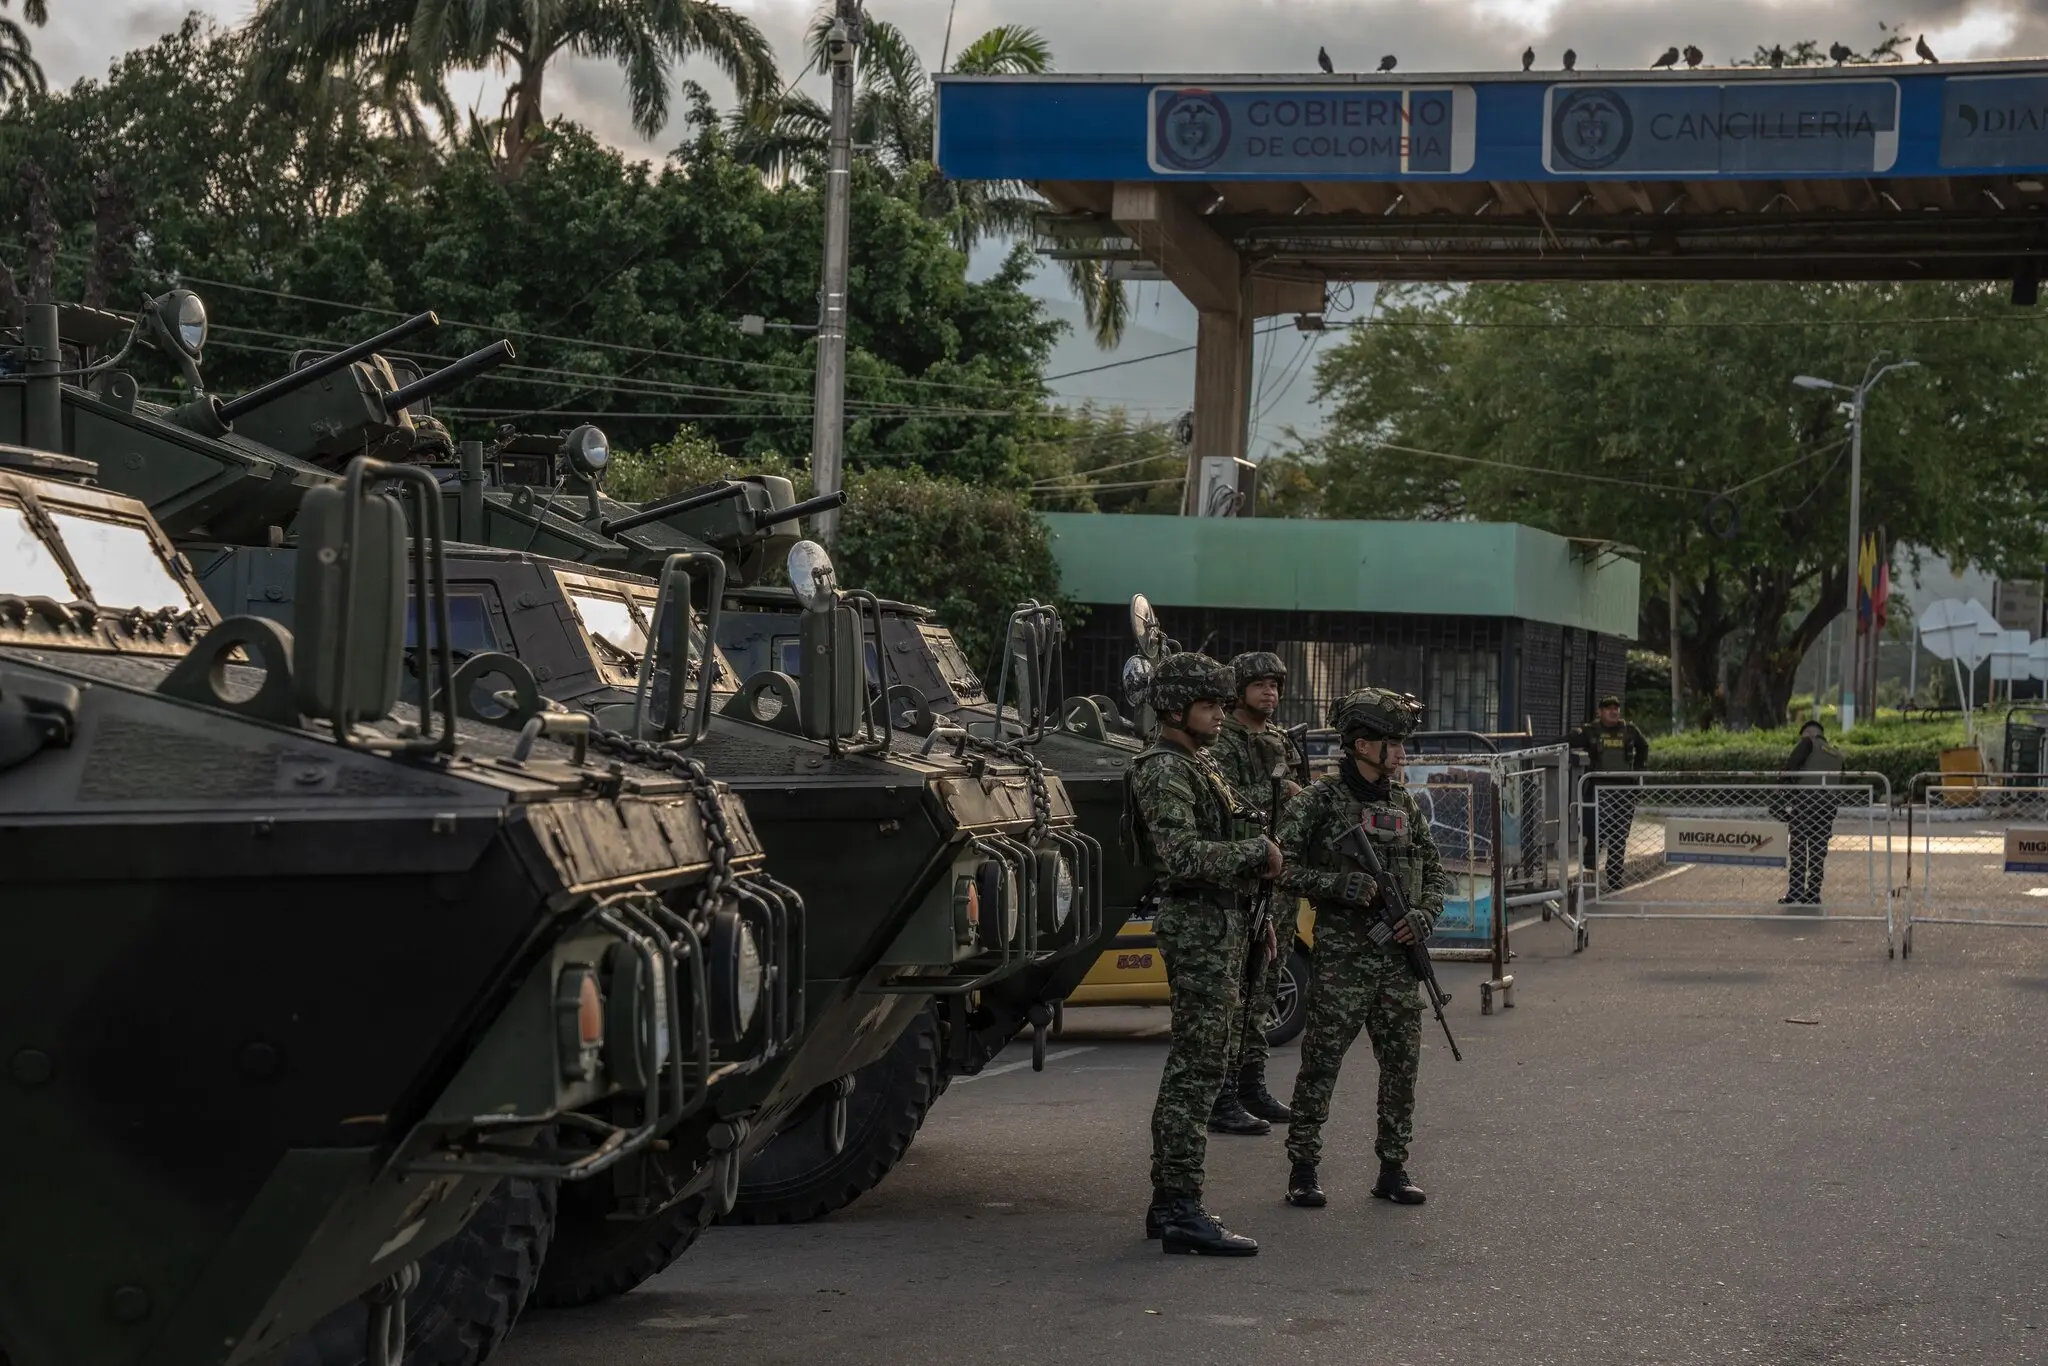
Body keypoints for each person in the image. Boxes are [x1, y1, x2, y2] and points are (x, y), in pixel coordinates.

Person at [1124, 651, 1281, 1256]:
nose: (1220, 714)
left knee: (1203, 1063)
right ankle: (1181, 1208)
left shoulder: (1198, 763)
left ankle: (1170, 1205)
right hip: (1199, 924)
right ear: (1174, 708)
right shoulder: (1164, 770)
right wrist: (1256, 857)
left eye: (1220, 703)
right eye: (1209, 704)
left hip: (1224, 920)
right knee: (1196, 1069)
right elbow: (1183, 855)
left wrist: (1253, 909)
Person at [1276, 687, 1449, 1210]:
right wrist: (1335, 886)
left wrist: (1421, 915)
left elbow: (1436, 873)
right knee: (1321, 1065)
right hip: (1341, 965)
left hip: (1397, 965)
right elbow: (1276, 866)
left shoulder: (1404, 805)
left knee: (1401, 1067)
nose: (1400, 753)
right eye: (1391, 742)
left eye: (1400, 742)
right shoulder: (1318, 803)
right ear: (1359, 744)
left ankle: (1392, 1168)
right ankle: (1303, 1169)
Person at [1208, 651, 1306, 1135]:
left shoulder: (1280, 739)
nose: (1270, 692)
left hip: (1279, 880)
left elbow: (1299, 803)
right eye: (1260, 684)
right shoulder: (1220, 739)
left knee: (1264, 987)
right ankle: (1222, 1093)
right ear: (1240, 688)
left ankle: (1251, 1084)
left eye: (1276, 684)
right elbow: (1224, 805)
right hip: (1239, 877)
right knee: (1235, 990)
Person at [1571, 694, 1649, 890]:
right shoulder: (1591, 731)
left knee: (1619, 833)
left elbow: (1644, 747)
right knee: (1600, 825)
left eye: (1616, 708)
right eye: (1608, 708)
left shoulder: (1629, 730)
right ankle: (1590, 862)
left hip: (1624, 789)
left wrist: (1639, 771)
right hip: (1600, 786)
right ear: (1600, 712)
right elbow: (1568, 740)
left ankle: (1614, 877)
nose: (1613, 711)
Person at [1779, 719, 1844, 905]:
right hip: (1828, 804)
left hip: (1805, 800)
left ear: (1808, 734)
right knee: (1818, 849)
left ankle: (1796, 892)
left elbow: (1790, 768)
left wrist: (1779, 796)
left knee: (1799, 845)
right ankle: (1813, 893)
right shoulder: (1836, 753)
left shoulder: (1808, 743)